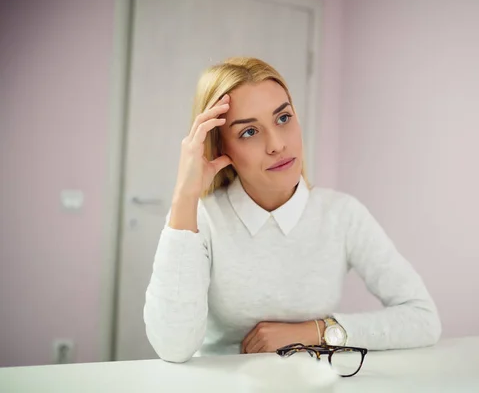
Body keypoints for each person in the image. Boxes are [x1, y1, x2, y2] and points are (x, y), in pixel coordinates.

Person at [143, 57, 441, 362]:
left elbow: (423, 320)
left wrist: (314, 331)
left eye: (283, 118)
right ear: (221, 148)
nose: (276, 145)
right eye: (249, 132)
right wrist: (185, 194)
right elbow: (173, 347)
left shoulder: (342, 215)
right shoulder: (200, 218)